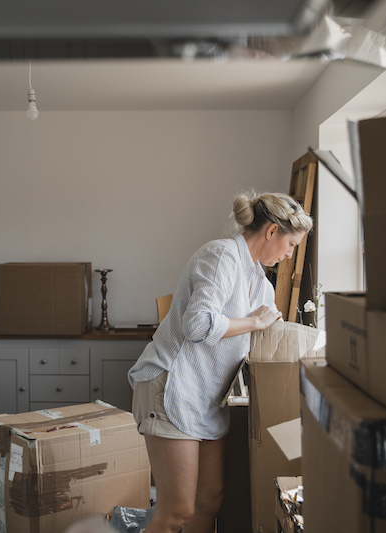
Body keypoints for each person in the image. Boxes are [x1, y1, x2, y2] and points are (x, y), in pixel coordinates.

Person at [128, 191, 314, 533]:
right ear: (272, 231)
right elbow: (197, 324)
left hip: (205, 394)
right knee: (177, 511)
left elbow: (254, 338)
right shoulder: (221, 256)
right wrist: (255, 322)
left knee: (209, 501)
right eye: (290, 244)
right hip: (172, 386)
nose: (290, 255)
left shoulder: (259, 282)